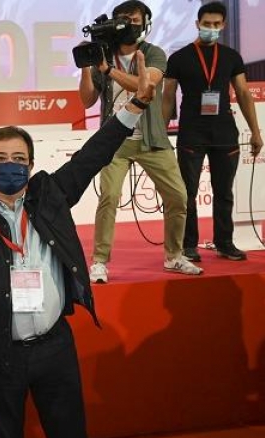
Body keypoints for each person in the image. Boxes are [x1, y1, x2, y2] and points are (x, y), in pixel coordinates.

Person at [0, 50, 154, 438]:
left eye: (18, 158)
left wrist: (136, 104)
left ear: (32, 164)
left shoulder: (50, 194)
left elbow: (95, 154)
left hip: (54, 346)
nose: (9, 165)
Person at [78, 0, 201, 283]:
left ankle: (174, 256)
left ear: (145, 23)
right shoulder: (104, 55)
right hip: (114, 141)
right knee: (108, 198)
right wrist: (87, 63)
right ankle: (99, 261)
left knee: (178, 197)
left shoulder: (153, 53)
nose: (126, 24)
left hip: (152, 138)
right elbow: (87, 101)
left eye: (133, 19)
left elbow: (147, 86)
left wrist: (109, 70)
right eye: (121, 18)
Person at [162, 1, 263, 262]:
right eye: (207, 24)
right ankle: (189, 244)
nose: (211, 28)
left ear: (224, 25)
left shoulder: (231, 56)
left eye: (217, 24)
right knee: (188, 193)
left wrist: (255, 131)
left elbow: (242, 94)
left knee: (224, 192)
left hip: (225, 134)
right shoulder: (178, 57)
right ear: (197, 24)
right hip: (191, 134)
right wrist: (160, 134)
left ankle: (224, 242)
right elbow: (167, 98)